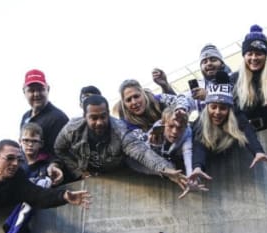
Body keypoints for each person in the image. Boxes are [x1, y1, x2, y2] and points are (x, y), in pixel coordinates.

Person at [54, 94, 188, 190]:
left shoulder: (119, 130)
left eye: (103, 116)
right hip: (87, 170)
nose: (99, 122)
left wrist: (165, 169)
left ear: (108, 113)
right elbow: (59, 149)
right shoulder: (71, 129)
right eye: (93, 118)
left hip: (117, 166)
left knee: (149, 164)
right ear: (84, 117)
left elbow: (141, 152)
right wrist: (78, 172)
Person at [189, 71, 267, 188]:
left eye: (222, 108)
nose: (217, 112)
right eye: (213, 107)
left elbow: (247, 130)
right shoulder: (200, 123)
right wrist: (197, 167)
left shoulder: (237, 115)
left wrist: (258, 151)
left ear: (229, 110)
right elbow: (199, 146)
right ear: (207, 107)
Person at [231, 24, 267, 131]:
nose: (254, 58)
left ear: (266, 55)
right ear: (244, 55)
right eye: (250, 54)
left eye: (258, 54)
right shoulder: (235, 78)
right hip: (247, 137)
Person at [113, 79, 194, 139]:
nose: (134, 102)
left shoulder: (159, 99)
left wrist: (180, 109)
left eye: (136, 96)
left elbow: (181, 99)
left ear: (143, 93)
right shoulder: (125, 124)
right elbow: (143, 143)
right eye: (128, 100)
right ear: (124, 104)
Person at [19, 69, 69, 156]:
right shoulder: (25, 116)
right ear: (24, 92)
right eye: (31, 90)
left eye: (40, 89)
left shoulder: (58, 118)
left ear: (48, 89)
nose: (36, 94)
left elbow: (61, 154)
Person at [146, 106, 194, 177]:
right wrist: (154, 147)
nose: (175, 132)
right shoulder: (156, 130)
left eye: (180, 127)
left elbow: (188, 154)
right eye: (171, 126)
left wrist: (191, 176)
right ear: (163, 124)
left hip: (175, 158)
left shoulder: (187, 133)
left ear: (186, 127)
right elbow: (144, 156)